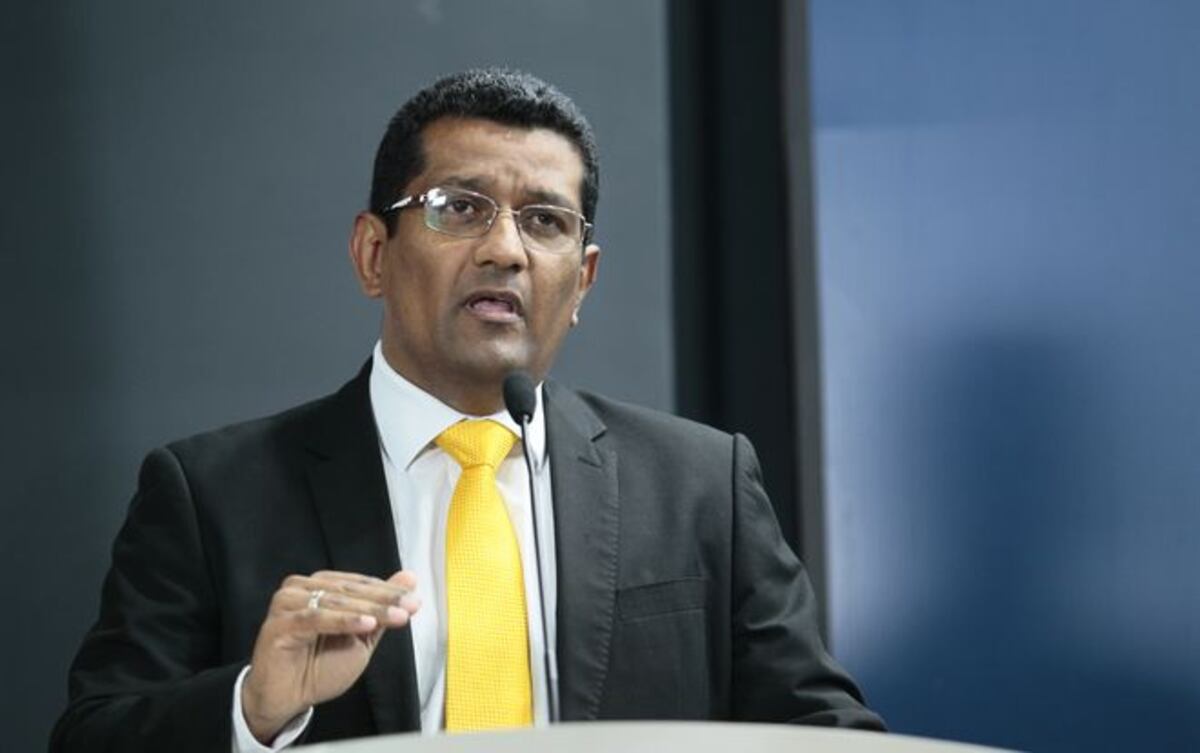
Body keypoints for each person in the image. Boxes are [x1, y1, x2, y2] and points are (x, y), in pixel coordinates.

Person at [51, 69, 884, 752]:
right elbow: (93, 735)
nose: (505, 249)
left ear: (582, 280)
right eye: (460, 208)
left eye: (545, 220)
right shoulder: (210, 495)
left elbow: (823, 731)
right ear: (373, 254)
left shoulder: (701, 484)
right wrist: (251, 708)